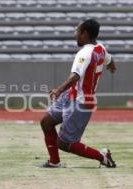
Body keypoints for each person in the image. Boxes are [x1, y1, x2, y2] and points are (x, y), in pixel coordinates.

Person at [40, 19, 117, 168]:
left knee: (64, 143)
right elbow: (110, 60)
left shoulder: (85, 53)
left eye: (78, 31)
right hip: (70, 96)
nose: (76, 35)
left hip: (81, 102)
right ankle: (54, 162)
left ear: (85, 34)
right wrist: (112, 67)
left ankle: (102, 156)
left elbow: (75, 75)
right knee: (46, 122)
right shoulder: (100, 48)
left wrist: (58, 90)